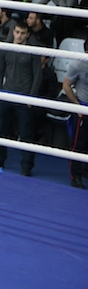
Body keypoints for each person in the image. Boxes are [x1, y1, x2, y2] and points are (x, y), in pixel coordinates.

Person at [0, 22, 42, 176]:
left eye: (22, 33)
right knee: (1, 129)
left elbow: (37, 76)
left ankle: (27, 165)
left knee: (26, 134)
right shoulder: (6, 48)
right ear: (13, 32)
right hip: (7, 94)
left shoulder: (32, 51)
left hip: (24, 97)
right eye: (17, 32)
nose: (19, 36)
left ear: (27, 35)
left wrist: (31, 97)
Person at [62, 40, 88, 189]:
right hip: (83, 108)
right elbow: (66, 85)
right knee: (79, 143)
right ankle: (75, 175)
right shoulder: (78, 65)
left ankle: (86, 170)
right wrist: (77, 105)